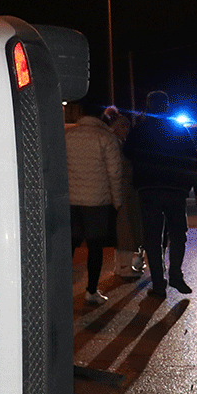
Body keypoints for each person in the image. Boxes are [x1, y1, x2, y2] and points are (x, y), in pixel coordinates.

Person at [124, 91, 197, 297]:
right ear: (167, 106)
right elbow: (191, 161)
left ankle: (159, 282)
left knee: (152, 236)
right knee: (178, 234)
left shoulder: (139, 130)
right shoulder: (178, 129)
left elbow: (127, 153)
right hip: (175, 190)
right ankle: (176, 275)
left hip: (148, 190)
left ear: (149, 106)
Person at [66, 103, 125, 305]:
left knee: (70, 246)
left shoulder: (68, 136)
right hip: (98, 203)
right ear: (101, 115)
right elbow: (115, 173)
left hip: (72, 201)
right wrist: (117, 201)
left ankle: (61, 289)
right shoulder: (105, 137)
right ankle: (91, 291)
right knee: (95, 247)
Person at [103, 106, 144, 280]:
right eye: (123, 126)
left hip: (122, 192)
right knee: (126, 231)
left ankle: (122, 266)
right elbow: (118, 170)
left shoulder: (117, 143)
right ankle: (124, 267)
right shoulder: (115, 144)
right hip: (123, 193)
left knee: (124, 232)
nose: (126, 129)